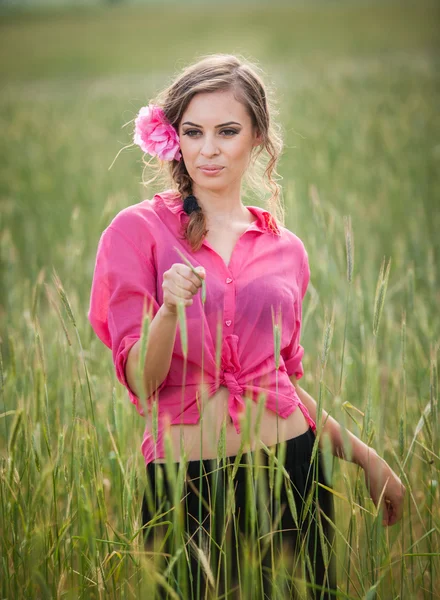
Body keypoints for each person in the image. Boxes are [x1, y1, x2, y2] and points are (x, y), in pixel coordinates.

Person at [88, 53, 406, 599]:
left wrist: (366, 458)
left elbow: (282, 383)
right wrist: (168, 311)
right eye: (193, 131)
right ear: (174, 138)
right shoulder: (135, 232)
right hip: (187, 483)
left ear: (257, 136)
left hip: (291, 472)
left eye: (227, 131)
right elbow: (143, 379)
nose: (208, 149)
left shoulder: (287, 248)